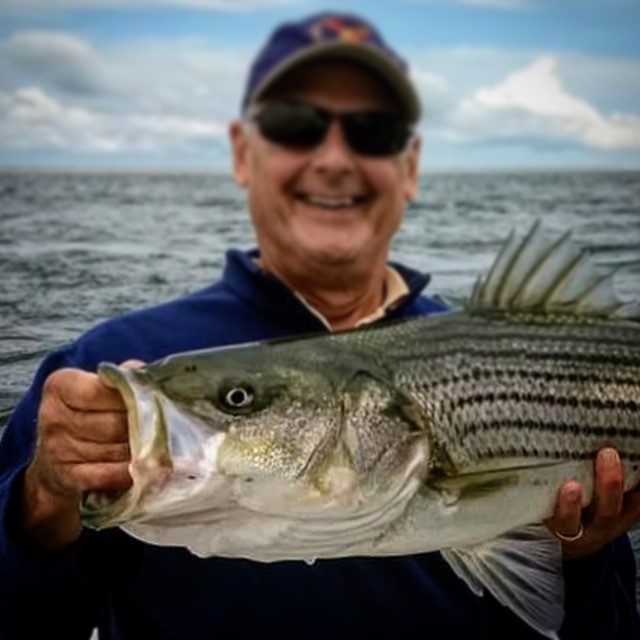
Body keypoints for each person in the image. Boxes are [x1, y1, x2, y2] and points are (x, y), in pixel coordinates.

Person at [0, 11, 638, 640]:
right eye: (294, 125)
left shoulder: (484, 343)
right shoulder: (105, 370)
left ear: (409, 166)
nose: (334, 158)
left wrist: (578, 559)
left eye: (373, 130)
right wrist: (44, 501)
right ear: (243, 155)